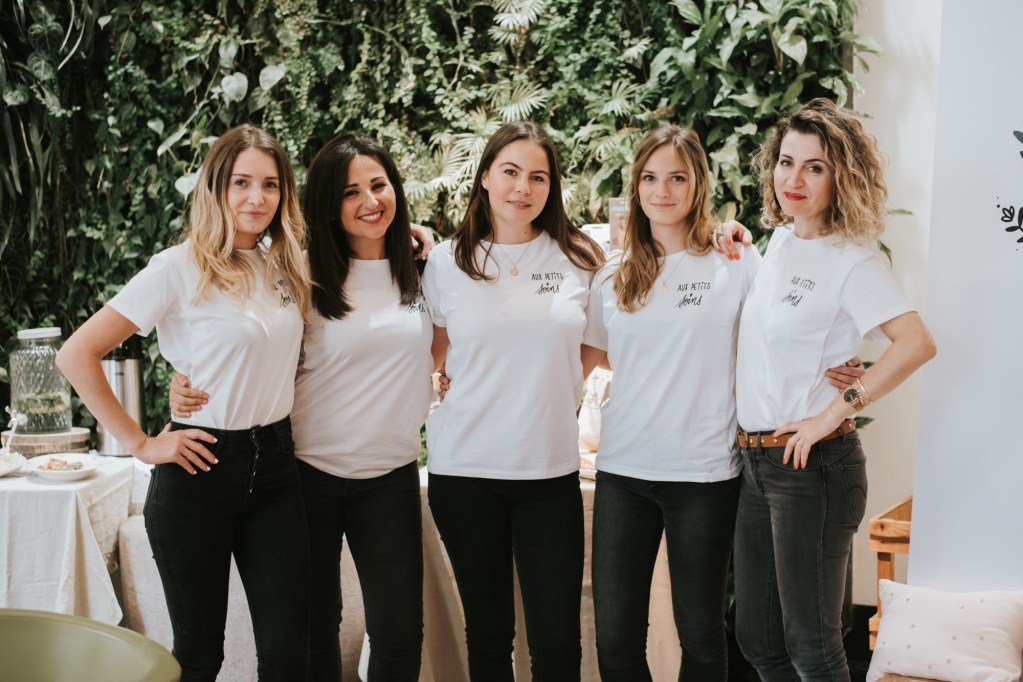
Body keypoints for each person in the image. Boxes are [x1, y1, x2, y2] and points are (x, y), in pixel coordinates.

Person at [169, 134, 433, 681]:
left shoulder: (427, 267)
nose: (369, 201)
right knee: (315, 627)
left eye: (378, 186)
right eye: (350, 192)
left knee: (401, 632)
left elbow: (455, 337)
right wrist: (186, 382)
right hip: (306, 471)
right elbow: (244, 341)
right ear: (327, 206)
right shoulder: (297, 272)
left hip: (390, 474)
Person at [56, 124, 313, 681]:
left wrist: (412, 239)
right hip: (200, 470)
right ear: (215, 188)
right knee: (200, 656)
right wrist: (142, 443)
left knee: (291, 654)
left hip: (275, 470)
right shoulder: (177, 268)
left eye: (270, 185)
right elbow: (76, 354)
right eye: (241, 182)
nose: (256, 198)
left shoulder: (284, 266)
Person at [732, 98, 937, 681]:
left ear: (840, 177)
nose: (794, 179)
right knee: (760, 642)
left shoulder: (853, 260)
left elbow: (915, 342)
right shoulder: (778, 245)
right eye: (786, 161)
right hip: (756, 463)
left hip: (814, 466)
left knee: (812, 648)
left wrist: (833, 412)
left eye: (814, 167)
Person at [422, 121, 605, 681]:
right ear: (483, 179)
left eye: (538, 177)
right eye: (510, 172)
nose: (522, 187)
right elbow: (434, 352)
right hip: (465, 473)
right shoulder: (446, 261)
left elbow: (591, 351)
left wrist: (541, 388)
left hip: (547, 473)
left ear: (551, 188)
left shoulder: (579, 258)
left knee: (557, 643)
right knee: (489, 635)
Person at [581, 125, 761, 681]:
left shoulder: (734, 261)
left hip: (704, 476)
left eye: (677, 177)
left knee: (702, 635)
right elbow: (595, 357)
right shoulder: (612, 274)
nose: (662, 190)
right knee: (615, 636)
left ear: (698, 184)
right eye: (651, 178)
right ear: (636, 188)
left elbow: (770, 344)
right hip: (623, 473)